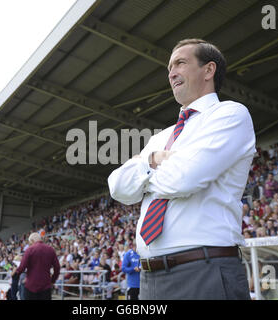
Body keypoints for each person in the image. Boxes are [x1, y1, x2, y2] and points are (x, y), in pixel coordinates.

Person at [108, 38, 255, 300]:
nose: (171, 73)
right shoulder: (159, 138)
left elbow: (183, 180)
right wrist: (153, 159)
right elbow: (118, 187)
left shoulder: (230, 114)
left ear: (208, 70)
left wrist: (142, 173)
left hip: (204, 270)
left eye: (180, 63)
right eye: (169, 68)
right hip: (150, 279)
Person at [13, 232, 60, 300]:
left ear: (32, 240)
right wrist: (53, 280)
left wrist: (15, 276)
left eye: (30, 243)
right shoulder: (50, 249)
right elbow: (57, 267)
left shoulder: (29, 250)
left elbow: (22, 267)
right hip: (46, 285)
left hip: (31, 286)